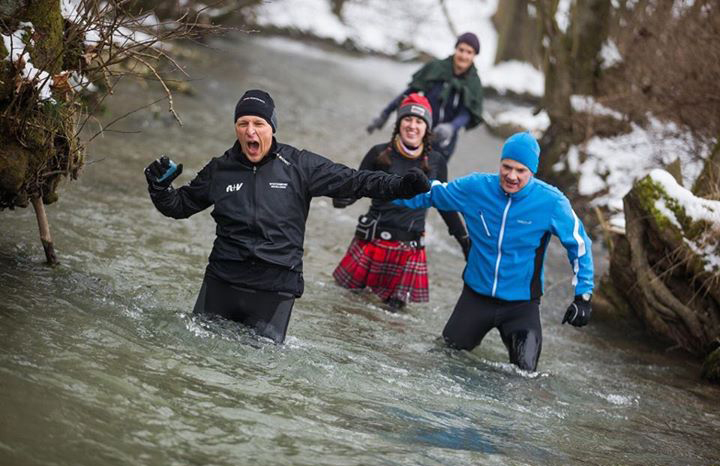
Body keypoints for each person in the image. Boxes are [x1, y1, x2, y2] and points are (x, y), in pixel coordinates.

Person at [144, 89, 431, 344]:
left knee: (260, 370)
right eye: (243, 124)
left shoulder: (299, 165)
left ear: (272, 127)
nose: (250, 131)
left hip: (275, 287)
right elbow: (180, 206)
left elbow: (355, 181)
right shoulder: (220, 169)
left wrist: (401, 186)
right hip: (222, 280)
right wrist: (159, 189)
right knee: (197, 350)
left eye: (258, 123)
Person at [394, 132, 594, 371]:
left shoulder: (551, 202)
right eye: (507, 167)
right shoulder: (476, 187)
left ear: (532, 172)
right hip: (475, 299)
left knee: (524, 377)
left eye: (520, 171)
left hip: (521, 307)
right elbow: (433, 195)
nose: (511, 176)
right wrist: (395, 189)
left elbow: (580, 244)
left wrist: (583, 296)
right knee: (440, 361)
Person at [332, 93, 470, 310]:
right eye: (407, 119)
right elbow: (356, 187)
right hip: (371, 241)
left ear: (427, 129)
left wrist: (463, 239)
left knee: (392, 318)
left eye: (419, 121)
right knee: (345, 307)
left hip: (409, 250)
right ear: (398, 124)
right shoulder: (378, 153)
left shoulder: (436, 162)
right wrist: (342, 198)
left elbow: (444, 204)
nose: (412, 126)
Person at [366, 32, 484, 161]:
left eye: (469, 52)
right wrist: (385, 113)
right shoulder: (435, 67)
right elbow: (411, 92)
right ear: (455, 49)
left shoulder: (474, 83)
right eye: (461, 50)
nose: (463, 55)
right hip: (418, 131)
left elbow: (466, 113)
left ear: (474, 55)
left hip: (444, 141)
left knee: (431, 175)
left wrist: (451, 127)